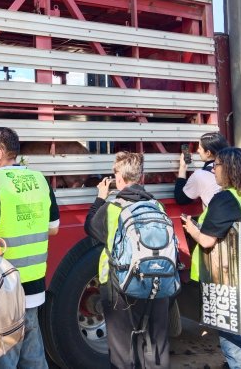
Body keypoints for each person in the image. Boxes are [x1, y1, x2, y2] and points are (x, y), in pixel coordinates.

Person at [183, 147, 241, 369]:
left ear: (231, 169)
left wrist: (191, 228)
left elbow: (207, 241)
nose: (213, 169)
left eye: (217, 165)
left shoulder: (226, 199)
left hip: (234, 286)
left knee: (235, 347)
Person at [0, 127, 59, 369]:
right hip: (34, 285)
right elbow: (53, 228)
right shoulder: (40, 179)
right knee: (33, 354)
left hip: (5, 289)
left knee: (5, 359)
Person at [85, 151, 170, 368]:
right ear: (140, 178)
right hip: (158, 282)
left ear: (119, 179)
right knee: (156, 344)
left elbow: (91, 227)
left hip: (120, 286)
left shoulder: (113, 209)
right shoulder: (157, 206)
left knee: (123, 349)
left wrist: (100, 198)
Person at [175, 131, 230, 208]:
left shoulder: (200, 175)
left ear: (208, 153)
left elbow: (181, 199)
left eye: (200, 148)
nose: (197, 151)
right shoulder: (234, 168)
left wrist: (182, 167)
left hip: (217, 218)